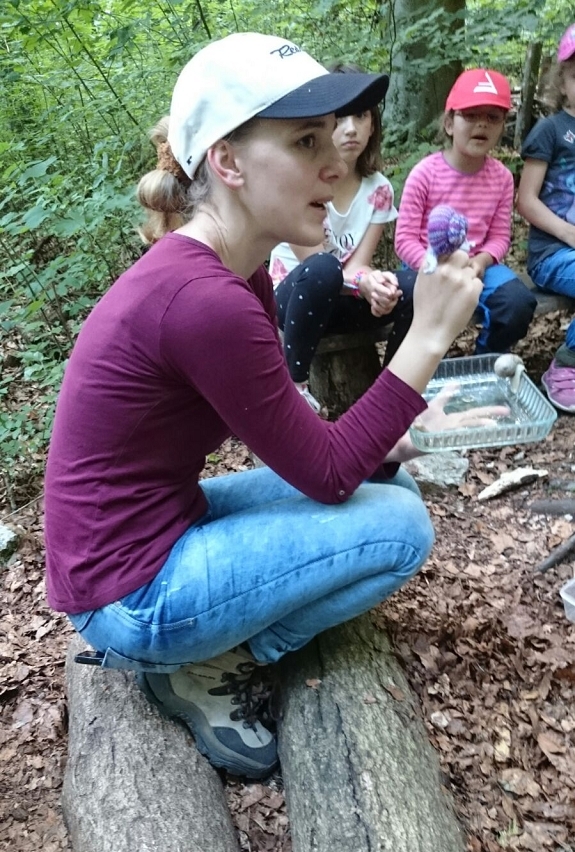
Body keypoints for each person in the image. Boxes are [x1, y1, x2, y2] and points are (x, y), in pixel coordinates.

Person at [44, 33, 503, 782]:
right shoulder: (203, 300)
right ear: (227, 162)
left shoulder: (235, 272)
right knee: (402, 527)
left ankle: (204, 643)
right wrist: (426, 332)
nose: (336, 162)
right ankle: (204, 663)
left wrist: (394, 440)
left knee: (388, 482)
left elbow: (298, 441)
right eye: (302, 141)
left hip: (163, 527)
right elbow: (323, 475)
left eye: (332, 136)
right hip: (129, 594)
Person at [269, 61, 416, 411]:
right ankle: (296, 387)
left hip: (344, 295)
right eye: (341, 118)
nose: (351, 129)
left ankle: (393, 388)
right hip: (296, 298)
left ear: (372, 125)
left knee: (411, 283)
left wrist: (376, 287)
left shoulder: (378, 188)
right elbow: (317, 261)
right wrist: (361, 283)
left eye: (361, 116)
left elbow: (359, 263)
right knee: (323, 269)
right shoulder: (301, 182)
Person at [395, 68, 537, 363]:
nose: (482, 124)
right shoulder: (425, 173)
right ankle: (416, 370)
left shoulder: (501, 178)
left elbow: (499, 238)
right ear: (449, 123)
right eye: (470, 115)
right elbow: (405, 239)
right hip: (428, 263)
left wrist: (480, 262)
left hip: (476, 266)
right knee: (410, 297)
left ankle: (484, 364)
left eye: (493, 117)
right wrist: (435, 268)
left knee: (517, 303)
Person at [517, 24, 575, 413]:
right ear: (562, 80)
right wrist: (569, 233)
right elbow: (526, 201)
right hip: (552, 251)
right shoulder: (550, 130)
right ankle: (565, 368)